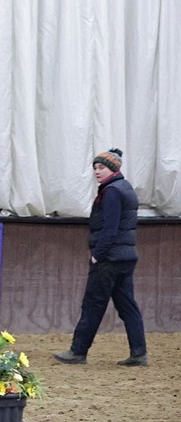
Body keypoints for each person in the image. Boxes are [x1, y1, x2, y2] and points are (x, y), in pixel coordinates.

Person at [54, 149, 148, 367]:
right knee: (127, 307)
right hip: (125, 257)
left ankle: (78, 351)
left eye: (102, 167)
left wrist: (98, 254)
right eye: (95, 168)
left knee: (93, 304)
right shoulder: (125, 188)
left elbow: (110, 229)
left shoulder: (112, 192)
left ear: (113, 169)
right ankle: (139, 353)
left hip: (109, 259)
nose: (97, 171)